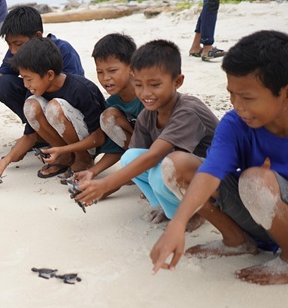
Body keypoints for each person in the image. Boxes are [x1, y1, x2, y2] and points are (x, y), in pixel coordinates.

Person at [149, 30, 288, 308]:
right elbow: (210, 172)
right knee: (177, 165)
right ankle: (237, 241)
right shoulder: (236, 122)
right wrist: (179, 222)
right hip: (255, 207)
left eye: (247, 97)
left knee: (254, 180)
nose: (238, 106)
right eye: (231, 95)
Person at [74, 40, 218, 229]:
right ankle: (170, 208)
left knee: (160, 173)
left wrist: (105, 184)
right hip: (179, 167)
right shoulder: (148, 114)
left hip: (216, 179)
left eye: (155, 85)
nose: (145, 93)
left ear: (178, 82)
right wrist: (101, 185)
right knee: (130, 158)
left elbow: (154, 156)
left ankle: (196, 212)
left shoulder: (187, 110)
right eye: (139, 85)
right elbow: (136, 161)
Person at [0, 5, 85, 167]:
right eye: (9, 45)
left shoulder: (63, 51)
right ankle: (38, 133)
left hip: (67, 111)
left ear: (38, 36)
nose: (14, 51)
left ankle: (61, 146)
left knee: (42, 99)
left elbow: (76, 93)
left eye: (18, 44)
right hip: (39, 105)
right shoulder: (17, 51)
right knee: (3, 84)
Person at [0, 38, 105, 181]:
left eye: (29, 79)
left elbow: (99, 138)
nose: (25, 84)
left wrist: (63, 149)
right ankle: (66, 157)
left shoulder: (80, 89)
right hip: (67, 145)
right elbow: (30, 135)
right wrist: (5, 161)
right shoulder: (35, 91)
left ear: (49, 75)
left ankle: (83, 158)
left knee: (54, 108)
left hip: (91, 143)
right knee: (30, 106)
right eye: (23, 78)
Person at [54, 33, 143, 193]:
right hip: (140, 153)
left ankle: (138, 173)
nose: (106, 78)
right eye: (100, 72)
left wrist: (109, 186)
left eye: (112, 70)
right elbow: (115, 149)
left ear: (131, 67)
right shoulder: (112, 104)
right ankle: (136, 171)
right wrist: (92, 172)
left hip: (167, 152)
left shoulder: (148, 98)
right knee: (108, 117)